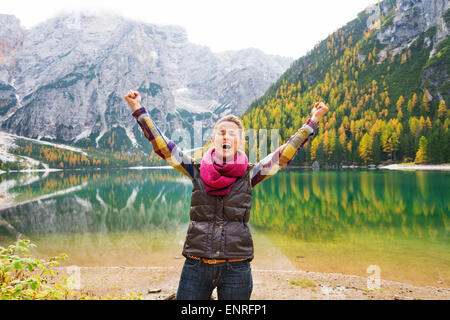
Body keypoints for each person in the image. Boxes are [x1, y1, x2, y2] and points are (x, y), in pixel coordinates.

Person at [124, 90, 328, 300]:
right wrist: (139, 111)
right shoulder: (196, 170)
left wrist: (312, 122)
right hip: (196, 266)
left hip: (236, 268)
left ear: (239, 143)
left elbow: (282, 155)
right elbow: (164, 148)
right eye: (221, 132)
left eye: (232, 134)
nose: (226, 136)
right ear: (213, 139)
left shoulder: (250, 175)